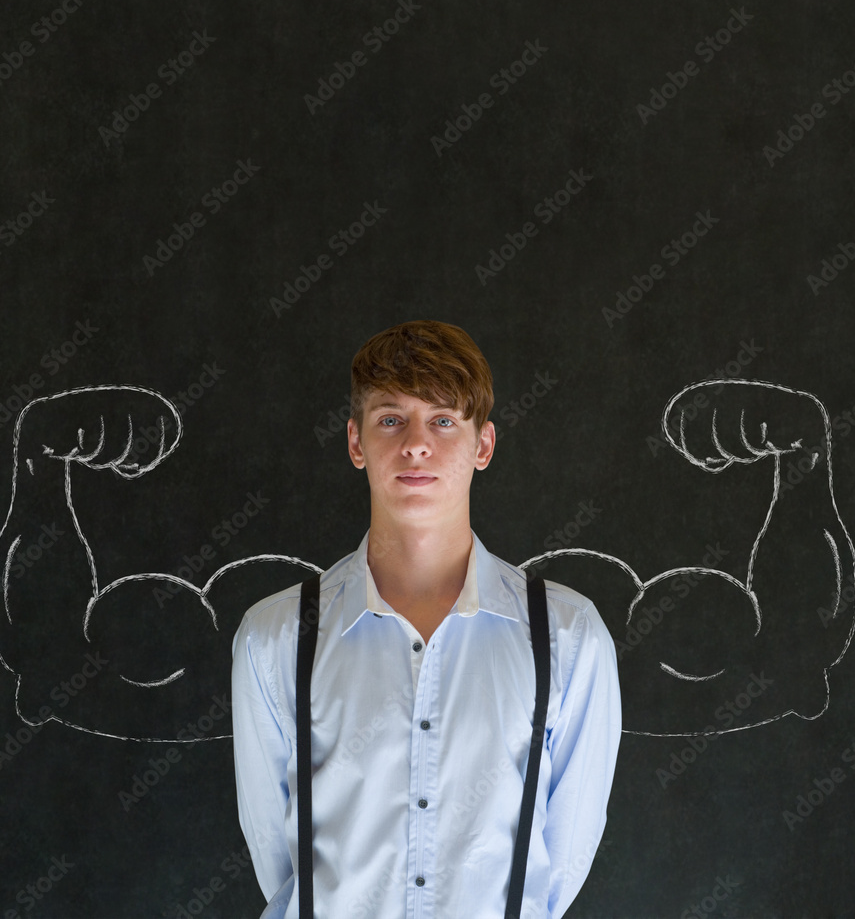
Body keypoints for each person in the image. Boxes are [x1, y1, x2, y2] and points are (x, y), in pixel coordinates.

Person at [231, 320, 621, 918]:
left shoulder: (567, 636)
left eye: (443, 420)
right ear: (356, 443)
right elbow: (278, 862)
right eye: (391, 419)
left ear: (483, 445)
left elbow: (561, 864)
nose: (416, 444)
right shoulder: (277, 637)